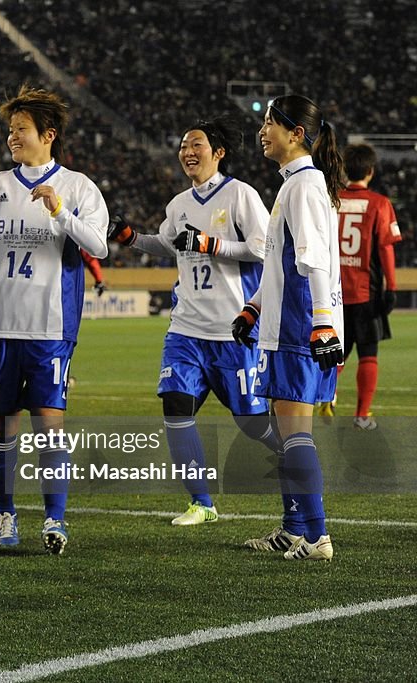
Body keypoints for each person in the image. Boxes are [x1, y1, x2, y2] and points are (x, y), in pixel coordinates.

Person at [108, 115, 283, 525]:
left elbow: (263, 249)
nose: (188, 151)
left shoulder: (240, 195)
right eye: (184, 145)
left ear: (218, 153)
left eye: (196, 144)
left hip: (233, 330)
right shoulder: (179, 204)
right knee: (175, 408)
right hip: (185, 329)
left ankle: (294, 454)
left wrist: (210, 243)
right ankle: (202, 503)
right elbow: (167, 245)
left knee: (253, 423)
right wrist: (130, 237)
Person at [0, 85, 108, 554]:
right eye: (10, 131)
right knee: (1, 425)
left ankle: (55, 519)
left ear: (48, 135)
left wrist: (60, 211)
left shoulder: (78, 187)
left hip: (50, 330)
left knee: (50, 423)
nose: (12, 138)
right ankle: (6, 516)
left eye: (20, 130)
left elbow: (99, 246)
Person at [232, 94, 345, 561]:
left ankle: (317, 537)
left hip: (301, 325)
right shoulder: (294, 185)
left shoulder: (304, 186)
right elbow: (280, 264)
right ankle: (294, 527)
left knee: (294, 433)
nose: (263, 132)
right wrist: (255, 307)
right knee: (286, 433)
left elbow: (314, 260)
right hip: (290, 321)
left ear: (296, 133)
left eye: (269, 124)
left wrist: (321, 324)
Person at [317, 143, 402, 430]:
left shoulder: (331, 200)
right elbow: (386, 249)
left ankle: (327, 396)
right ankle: (362, 415)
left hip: (333, 292)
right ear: (371, 171)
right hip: (366, 293)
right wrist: (391, 287)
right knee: (368, 352)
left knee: (336, 353)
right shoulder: (379, 204)